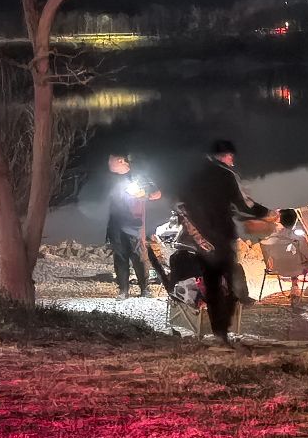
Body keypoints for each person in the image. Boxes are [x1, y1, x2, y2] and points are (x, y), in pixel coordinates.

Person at [174, 138, 269, 344]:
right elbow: (244, 205)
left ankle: (219, 331)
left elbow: (180, 205)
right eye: (230, 156)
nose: (232, 160)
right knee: (233, 280)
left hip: (201, 241)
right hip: (222, 237)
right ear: (225, 156)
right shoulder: (226, 175)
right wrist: (266, 213)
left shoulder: (190, 177)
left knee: (212, 283)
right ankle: (224, 328)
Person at [104, 154, 162, 299]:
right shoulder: (111, 178)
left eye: (110, 160)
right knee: (120, 256)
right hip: (115, 223)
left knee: (138, 256)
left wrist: (144, 194)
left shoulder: (138, 176)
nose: (108, 163)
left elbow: (157, 193)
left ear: (121, 160)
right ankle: (123, 290)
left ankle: (144, 288)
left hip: (134, 224)